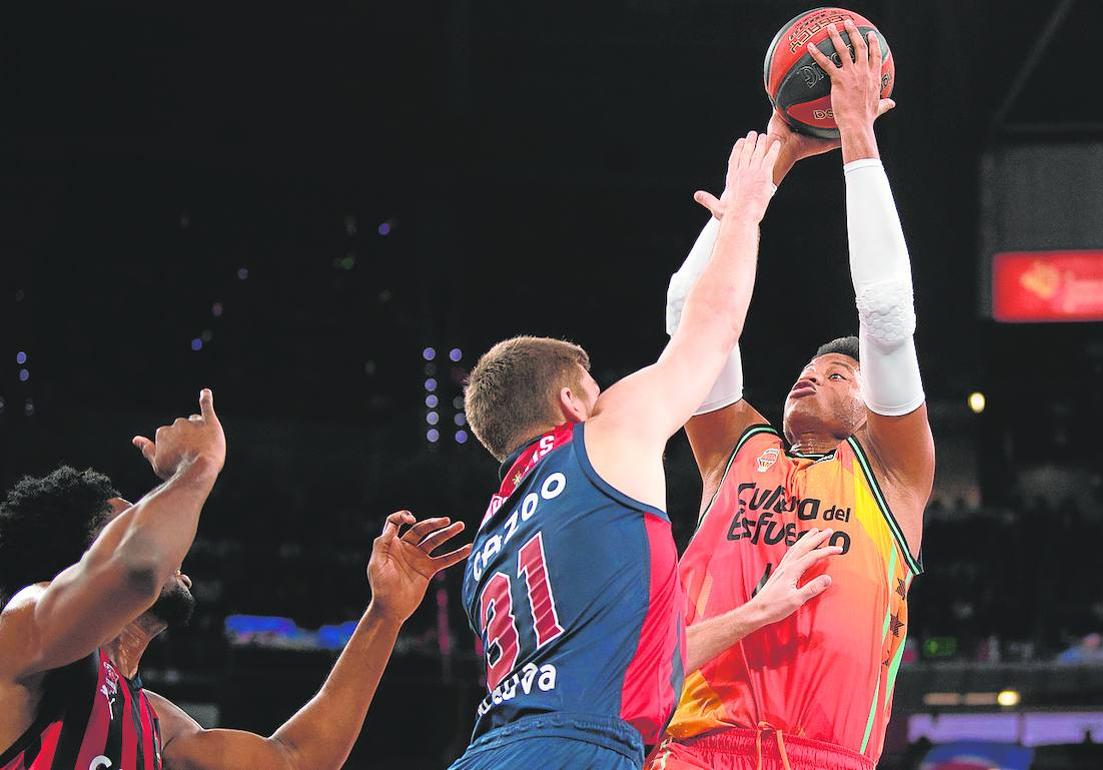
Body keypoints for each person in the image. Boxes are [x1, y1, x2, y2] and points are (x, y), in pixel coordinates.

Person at [449, 131, 840, 770]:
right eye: (596, 389)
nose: (609, 398)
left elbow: (630, 659)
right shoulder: (600, 438)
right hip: (578, 752)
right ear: (572, 401)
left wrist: (754, 613)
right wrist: (745, 211)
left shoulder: (492, 541)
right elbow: (707, 325)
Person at [648, 19, 934, 770]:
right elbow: (690, 312)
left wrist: (857, 136)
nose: (811, 374)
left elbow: (887, 315)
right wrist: (772, 162)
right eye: (809, 367)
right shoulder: (734, 452)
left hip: (826, 755)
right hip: (694, 747)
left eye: (839, 374)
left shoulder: (894, 475)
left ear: (876, 410)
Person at [0, 389, 470, 770]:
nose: (173, 547)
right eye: (132, 524)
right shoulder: (24, 633)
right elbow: (137, 567)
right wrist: (197, 466)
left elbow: (297, 760)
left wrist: (385, 615)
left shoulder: (155, 723)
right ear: (76, 564)